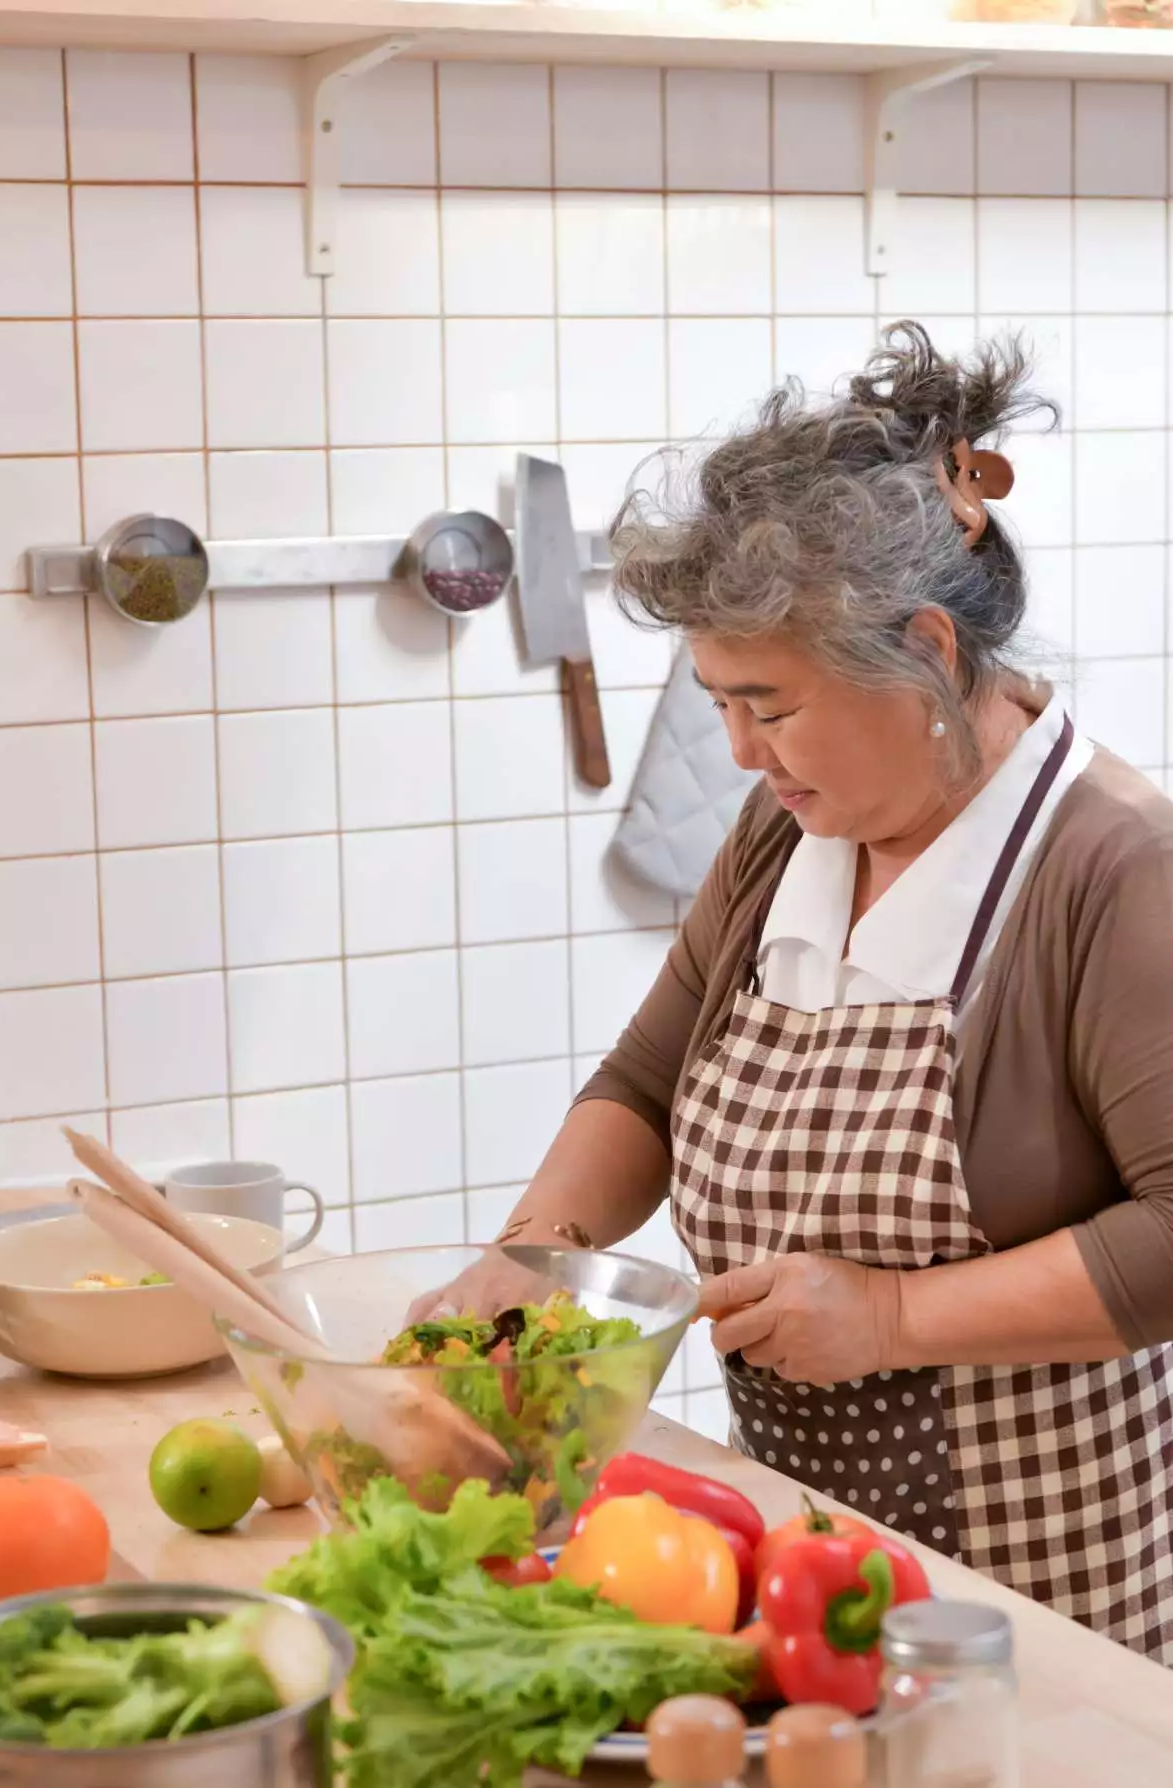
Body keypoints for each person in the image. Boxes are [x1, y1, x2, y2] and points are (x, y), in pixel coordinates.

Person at [430, 325, 1173, 1661]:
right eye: (718, 703)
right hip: (807, 1573)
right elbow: (647, 1084)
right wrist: (530, 1271)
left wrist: (891, 1319)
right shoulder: (791, 836)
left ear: (929, 650)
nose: (738, 752)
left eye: (768, 706)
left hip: (1046, 1617)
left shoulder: (1113, 867)